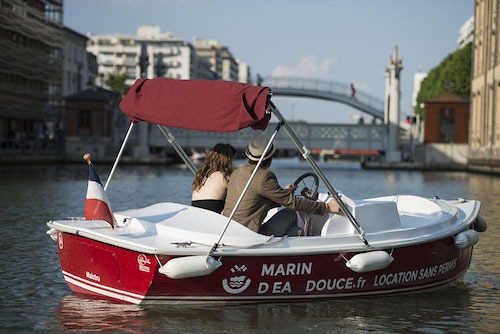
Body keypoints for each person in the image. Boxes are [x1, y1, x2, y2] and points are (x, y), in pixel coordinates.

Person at [222, 131, 342, 236]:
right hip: (251, 234)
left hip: (230, 231)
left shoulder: (236, 172)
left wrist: (283, 193)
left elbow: (254, 202)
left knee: (294, 231)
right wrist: (326, 207)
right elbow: (293, 203)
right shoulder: (264, 176)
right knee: (290, 214)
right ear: (270, 158)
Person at [192, 143, 236, 213]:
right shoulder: (225, 177)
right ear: (228, 159)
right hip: (211, 217)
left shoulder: (200, 175)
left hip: (195, 213)